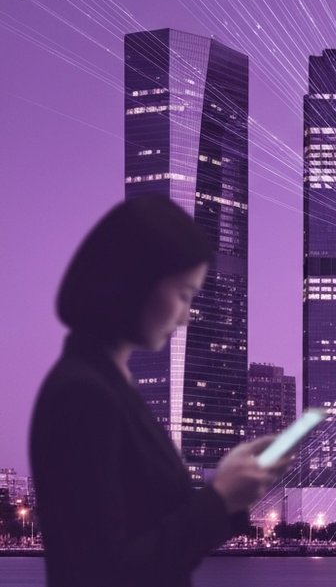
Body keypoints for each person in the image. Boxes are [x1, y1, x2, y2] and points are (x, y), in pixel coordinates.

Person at [30, 196, 290, 587]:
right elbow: (103, 572)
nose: (185, 316)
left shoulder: (110, 385)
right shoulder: (82, 395)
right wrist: (220, 499)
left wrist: (227, 486)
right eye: (184, 294)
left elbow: (154, 530)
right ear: (134, 284)